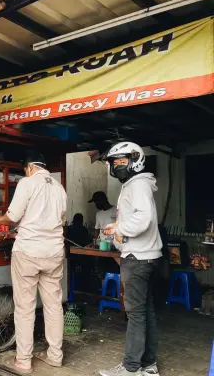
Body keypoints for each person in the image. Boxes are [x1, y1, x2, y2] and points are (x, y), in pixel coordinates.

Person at [0, 150, 67, 375]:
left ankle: (24, 360)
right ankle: (55, 356)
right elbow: (59, 220)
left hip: (28, 252)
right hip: (53, 252)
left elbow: (12, 217)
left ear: (30, 167)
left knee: (25, 307)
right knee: (53, 305)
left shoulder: (27, 183)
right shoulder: (59, 187)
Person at [99, 142, 162, 376]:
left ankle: (131, 368)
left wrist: (120, 228)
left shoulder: (138, 185)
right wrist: (118, 227)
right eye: (115, 163)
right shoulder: (137, 184)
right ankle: (149, 365)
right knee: (146, 312)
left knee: (135, 314)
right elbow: (138, 217)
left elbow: (142, 219)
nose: (117, 166)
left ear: (136, 160)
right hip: (144, 256)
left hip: (137, 257)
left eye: (122, 161)